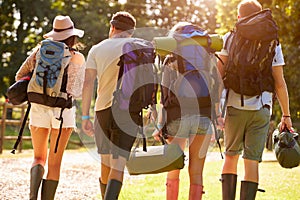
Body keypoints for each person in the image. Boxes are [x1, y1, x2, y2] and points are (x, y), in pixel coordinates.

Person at [217, 1, 293, 199]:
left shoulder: (229, 37)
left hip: (235, 105)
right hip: (261, 107)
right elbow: (279, 83)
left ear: (239, 16)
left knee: (231, 157)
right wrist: (286, 115)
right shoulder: (272, 41)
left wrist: (216, 109)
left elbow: (218, 77)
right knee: (251, 161)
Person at [15, 15, 85, 200]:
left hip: (38, 109)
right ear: (72, 36)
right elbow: (76, 91)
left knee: (38, 158)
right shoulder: (77, 58)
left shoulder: (39, 52)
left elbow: (19, 76)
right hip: (63, 113)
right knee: (54, 165)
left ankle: (32, 197)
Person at [152, 22, 220, 200]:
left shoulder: (170, 59)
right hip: (203, 118)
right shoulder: (207, 58)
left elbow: (164, 95)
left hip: (177, 118)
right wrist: (217, 116)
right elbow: (216, 89)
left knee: (173, 168)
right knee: (196, 171)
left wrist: (160, 124)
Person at [81, 11, 139, 200]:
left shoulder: (97, 49)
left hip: (103, 110)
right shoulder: (137, 47)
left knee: (105, 163)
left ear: (112, 27)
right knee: (118, 165)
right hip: (128, 111)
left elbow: (88, 83)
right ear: (131, 31)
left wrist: (85, 117)